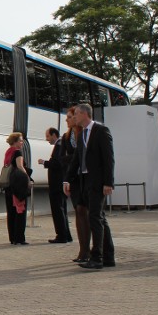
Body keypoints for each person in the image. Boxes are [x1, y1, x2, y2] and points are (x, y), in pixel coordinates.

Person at [65, 103, 115, 270]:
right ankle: (108, 257)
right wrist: (67, 179)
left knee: (94, 217)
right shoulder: (81, 136)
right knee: (99, 217)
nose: (75, 117)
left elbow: (109, 158)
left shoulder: (101, 131)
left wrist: (108, 182)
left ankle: (97, 257)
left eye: (77, 114)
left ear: (85, 114)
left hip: (98, 181)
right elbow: (76, 160)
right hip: (85, 180)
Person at [62, 107, 90, 262]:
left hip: (84, 177)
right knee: (79, 212)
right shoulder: (66, 137)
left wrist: (72, 157)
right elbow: (63, 157)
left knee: (86, 212)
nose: (67, 120)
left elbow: (79, 156)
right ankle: (83, 250)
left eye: (69, 117)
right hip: (74, 178)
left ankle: (90, 250)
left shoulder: (84, 134)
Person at [38, 127, 72, 243]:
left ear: (54, 135)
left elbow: (57, 163)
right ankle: (66, 235)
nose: (47, 139)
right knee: (62, 209)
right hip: (60, 183)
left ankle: (61, 235)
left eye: (48, 136)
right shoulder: (62, 145)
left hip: (56, 185)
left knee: (58, 210)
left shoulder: (59, 145)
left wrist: (44, 162)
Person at [3, 132, 31, 246]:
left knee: (11, 212)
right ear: (15, 142)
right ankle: (19, 238)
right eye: (20, 140)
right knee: (20, 210)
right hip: (17, 185)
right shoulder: (17, 152)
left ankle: (13, 238)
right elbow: (20, 166)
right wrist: (27, 178)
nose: (22, 142)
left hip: (8, 185)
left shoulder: (8, 152)